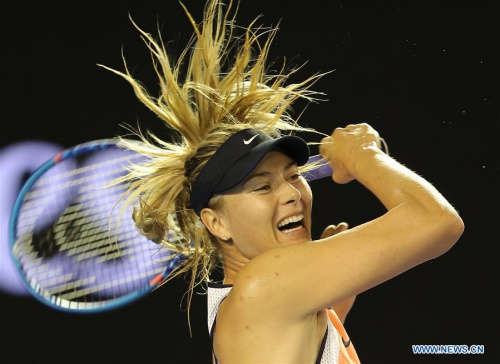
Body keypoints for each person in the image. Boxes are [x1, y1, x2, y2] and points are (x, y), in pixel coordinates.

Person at [102, 0, 464, 362]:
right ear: (216, 223)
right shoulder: (265, 285)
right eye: (262, 186)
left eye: (293, 176)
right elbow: (438, 222)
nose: (292, 193)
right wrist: (362, 155)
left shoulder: (263, 302)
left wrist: (333, 298)